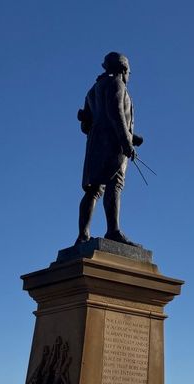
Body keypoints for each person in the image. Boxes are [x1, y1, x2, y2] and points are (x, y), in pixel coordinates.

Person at [75, 52, 144, 245]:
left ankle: (83, 235)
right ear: (123, 70)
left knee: (93, 190)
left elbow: (87, 125)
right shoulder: (117, 84)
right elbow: (116, 113)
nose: (129, 76)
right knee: (115, 184)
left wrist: (132, 137)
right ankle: (113, 230)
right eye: (129, 72)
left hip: (96, 143)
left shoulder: (93, 89)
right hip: (113, 145)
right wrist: (126, 142)